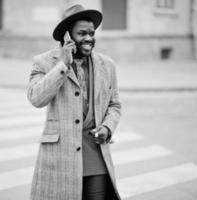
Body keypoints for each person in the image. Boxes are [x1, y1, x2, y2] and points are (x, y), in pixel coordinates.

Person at [27, 4, 121, 200]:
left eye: (91, 33)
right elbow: (36, 98)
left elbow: (114, 104)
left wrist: (107, 127)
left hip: (96, 152)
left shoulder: (107, 65)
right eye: (82, 34)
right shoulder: (44, 62)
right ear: (67, 36)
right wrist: (63, 65)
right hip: (60, 157)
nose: (89, 38)